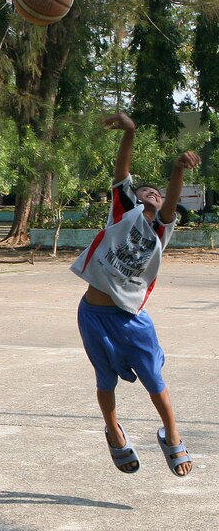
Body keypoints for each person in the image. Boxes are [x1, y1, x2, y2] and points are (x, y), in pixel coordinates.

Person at [72, 112, 199, 478]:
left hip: (130, 320)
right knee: (104, 380)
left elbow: (171, 201)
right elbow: (122, 172)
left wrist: (177, 170)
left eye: (158, 194)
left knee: (154, 380)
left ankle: (171, 433)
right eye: (147, 191)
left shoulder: (159, 232)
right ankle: (113, 430)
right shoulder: (121, 214)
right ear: (133, 197)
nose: (153, 195)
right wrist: (130, 132)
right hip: (93, 315)